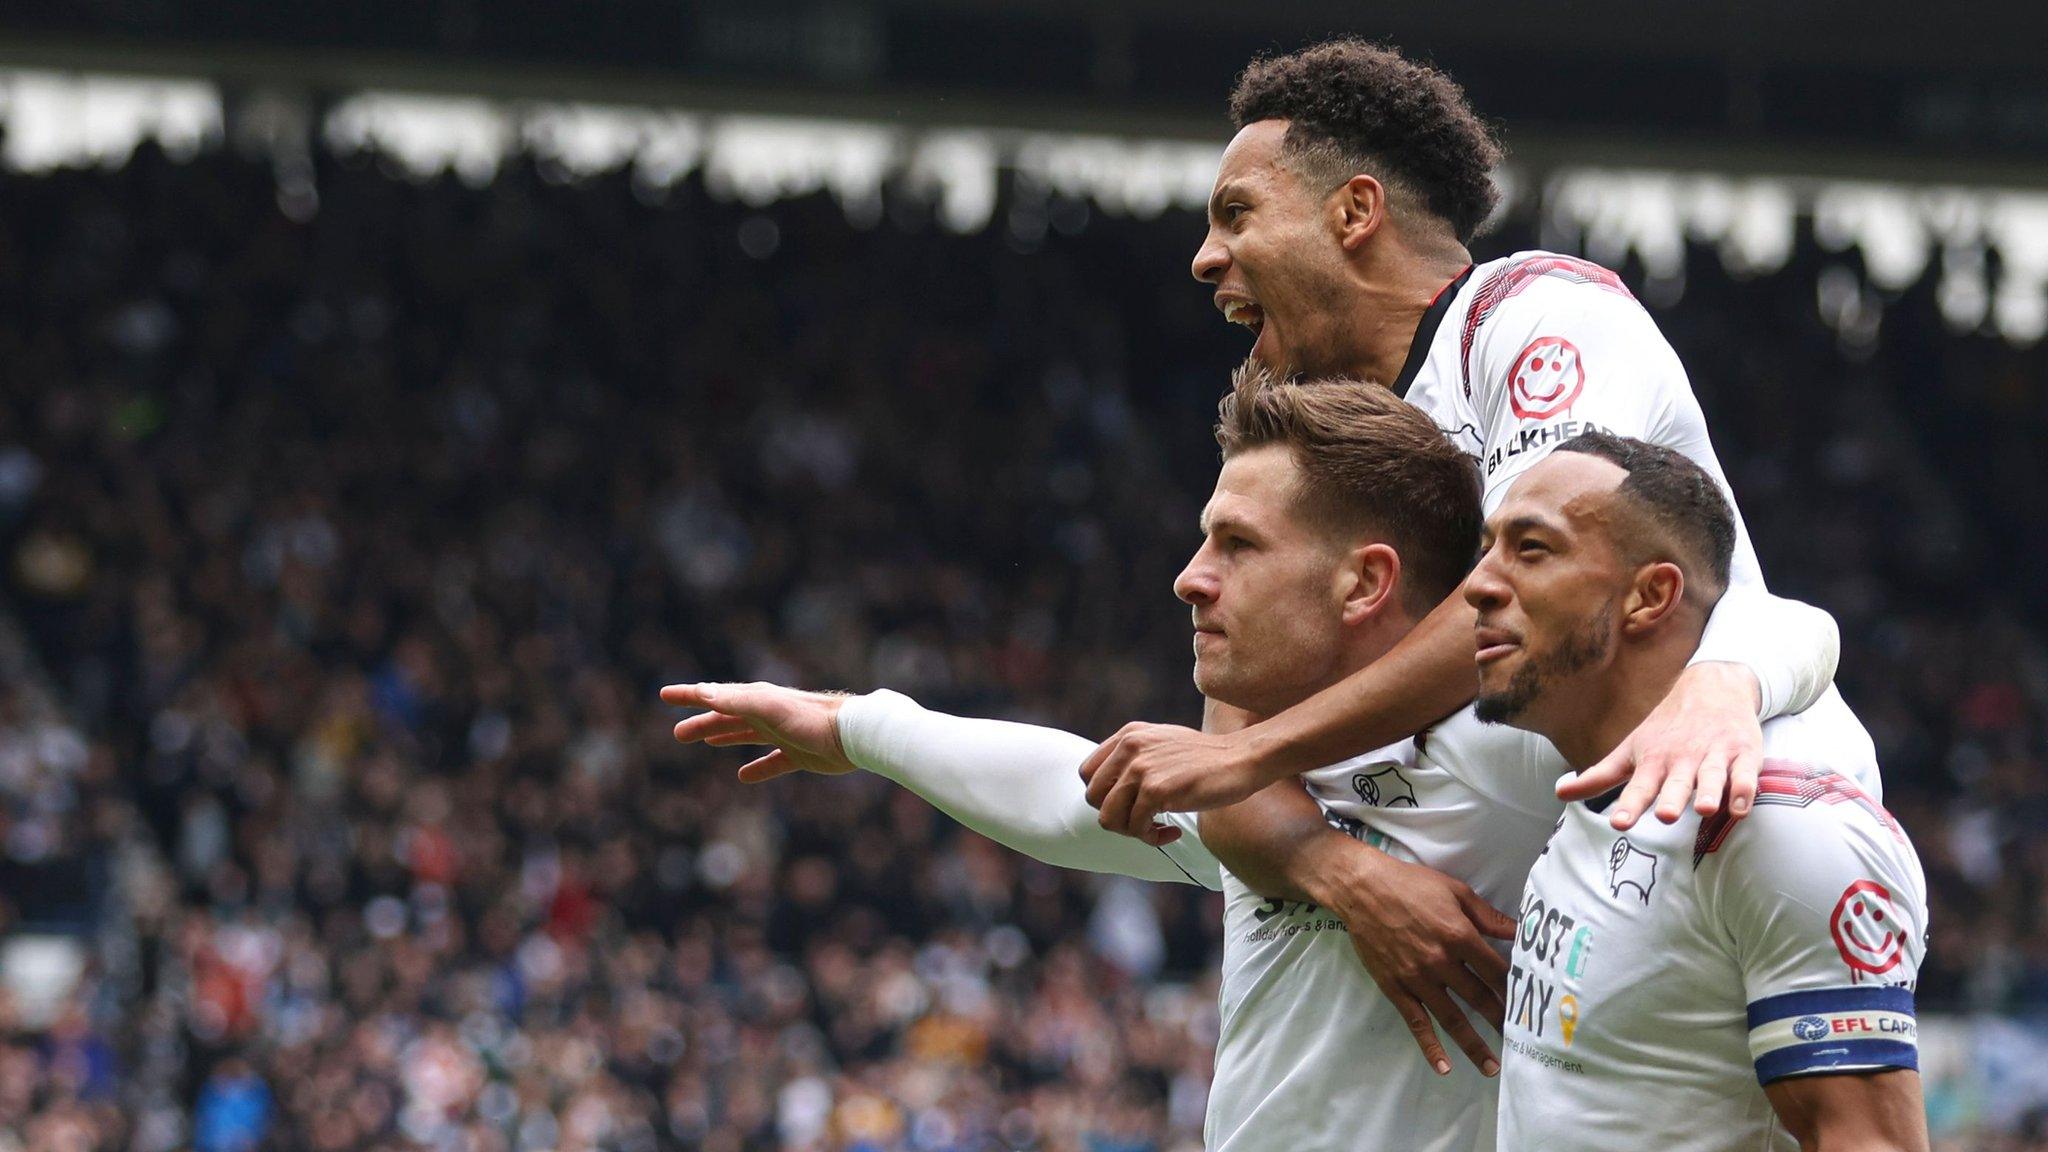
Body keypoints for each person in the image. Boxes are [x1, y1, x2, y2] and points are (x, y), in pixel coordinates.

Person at [663, 367, 1838, 1152]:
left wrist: (1723, 686)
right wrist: (854, 727)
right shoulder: (1261, 805)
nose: (1189, 575)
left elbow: (1779, 629)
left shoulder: (1522, 757)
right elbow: (1073, 795)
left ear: (1366, 582)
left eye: (1234, 543)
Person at [1071, 39, 1854, 1071]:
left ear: (1353, 213)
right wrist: (1336, 867)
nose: (1203, 258)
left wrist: (1260, 756)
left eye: (1235, 214)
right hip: (1578, 900)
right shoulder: (1334, 442)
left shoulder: (1537, 318)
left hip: (1739, 842)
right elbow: (1228, 738)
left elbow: (1527, 602)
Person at [1464, 431, 1928, 1152]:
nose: (1480, 584)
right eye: (1486, 548)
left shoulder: (1775, 827)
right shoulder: (1591, 783)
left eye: (1531, 549)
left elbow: (1871, 1141)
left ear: (1650, 596)